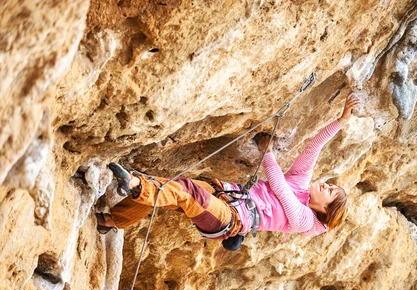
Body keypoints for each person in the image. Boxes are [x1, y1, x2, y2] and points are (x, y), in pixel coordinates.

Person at [96, 93, 361, 250]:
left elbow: (279, 188)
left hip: (232, 218)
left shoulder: (305, 220)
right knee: (175, 186)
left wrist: (267, 152)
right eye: (330, 185)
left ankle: (135, 184)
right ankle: (112, 222)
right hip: (227, 195)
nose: (326, 186)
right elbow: (314, 148)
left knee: (188, 194)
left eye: (330, 192)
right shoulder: (302, 186)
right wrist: (341, 121)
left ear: (325, 209)